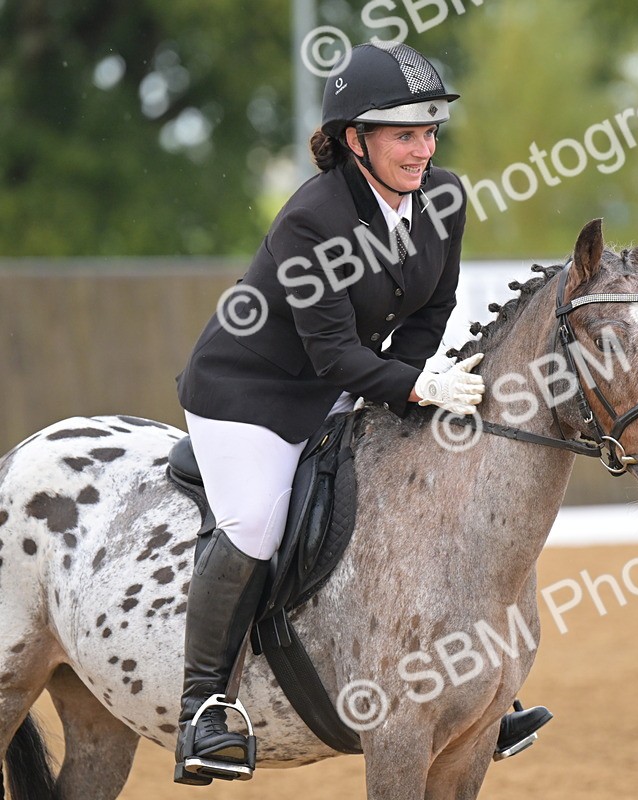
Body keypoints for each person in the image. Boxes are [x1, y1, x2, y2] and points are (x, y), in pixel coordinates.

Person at [173, 42, 551, 785]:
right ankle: (204, 708)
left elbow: (432, 308)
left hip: (345, 376)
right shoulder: (309, 222)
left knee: (425, 474)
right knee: (254, 524)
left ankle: (479, 688)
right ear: (356, 140)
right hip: (250, 393)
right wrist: (412, 388)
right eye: (404, 135)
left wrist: (412, 378)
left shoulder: (443, 198)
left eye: (430, 132)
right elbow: (331, 353)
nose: (424, 150)